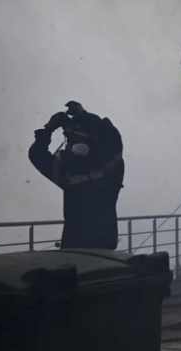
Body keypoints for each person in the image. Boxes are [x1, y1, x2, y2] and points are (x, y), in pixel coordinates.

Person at [28, 101, 124, 250]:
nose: (70, 145)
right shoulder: (110, 172)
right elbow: (112, 138)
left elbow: (37, 154)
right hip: (103, 248)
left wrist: (48, 131)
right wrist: (83, 116)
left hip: (74, 248)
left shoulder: (67, 174)